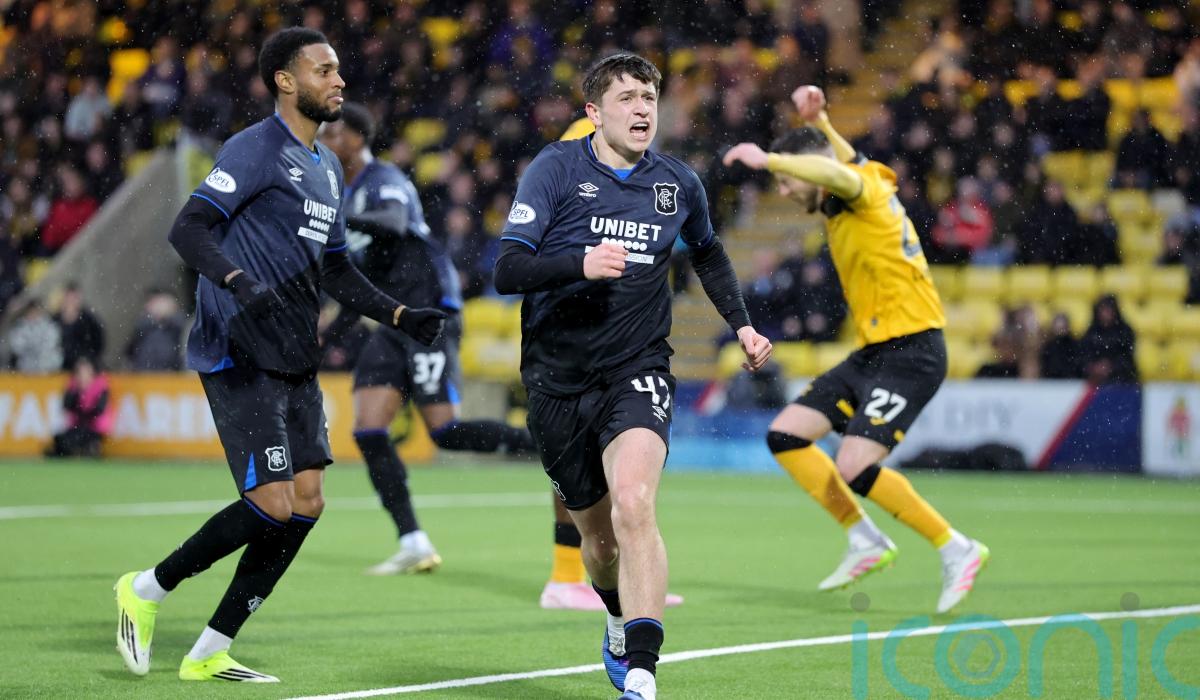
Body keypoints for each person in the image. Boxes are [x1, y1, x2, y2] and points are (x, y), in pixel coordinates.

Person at [113, 28, 447, 684]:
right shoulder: (256, 148)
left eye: (339, 69)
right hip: (240, 347)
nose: (339, 80)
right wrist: (237, 281)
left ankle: (210, 649)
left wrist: (401, 315)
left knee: (308, 501)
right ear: (286, 81)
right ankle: (147, 587)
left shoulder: (327, 169)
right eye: (324, 70)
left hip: (295, 354)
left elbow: (337, 270)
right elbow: (189, 227)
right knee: (272, 502)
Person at [494, 53, 772, 700]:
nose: (642, 108)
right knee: (598, 544)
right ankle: (617, 618)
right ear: (594, 113)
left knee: (636, 503)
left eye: (649, 97)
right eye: (626, 98)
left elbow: (708, 253)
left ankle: (642, 673)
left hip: (637, 369)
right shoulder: (555, 170)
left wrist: (742, 325)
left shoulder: (676, 183)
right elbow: (507, 269)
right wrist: (579, 263)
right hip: (556, 380)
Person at [723, 85, 989, 615]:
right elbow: (840, 161)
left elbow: (836, 172)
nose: (784, 189)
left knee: (854, 463)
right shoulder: (859, 182)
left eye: (786, 181)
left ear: (810, 172)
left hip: (913, 349)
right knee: (786, 435)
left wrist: (770, 158)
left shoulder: (857, 190)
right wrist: (821, 121)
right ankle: (865, 539)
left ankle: (956, 548)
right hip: (874, 351)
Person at [319, 102, 536, 575]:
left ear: (357, 138)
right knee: (368, 429)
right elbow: (359, 280)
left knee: (445, 432)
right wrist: (327, 336)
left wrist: (335, 217)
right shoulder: (344, 193)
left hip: (428, 313)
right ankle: (413, 541)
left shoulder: (383, 180)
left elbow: (394, 224)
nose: (324, 141)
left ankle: (546, 443)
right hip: (391, 322)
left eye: (332, 134)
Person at [45, 356, 112, 458]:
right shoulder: (73, 386)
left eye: (85, 372)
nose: (82, 376)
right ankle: (76, 451)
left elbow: (99, 410)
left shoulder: (100, 386)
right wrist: (77, 392)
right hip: (77, 426)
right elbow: (66, 406)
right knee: (60, 439)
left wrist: (83, 410)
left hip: (93, 428)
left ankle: (87, 449)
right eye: (79, 373)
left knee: (79, 438)